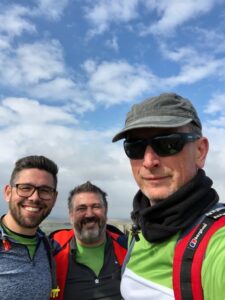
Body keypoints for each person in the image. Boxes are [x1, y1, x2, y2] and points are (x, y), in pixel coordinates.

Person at [112, 92, 225, 300]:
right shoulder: (139, 229)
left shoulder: (217, 242)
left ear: (200, 151)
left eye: (168, 143)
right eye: (135, 147)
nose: (148, 161)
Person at [50, 181, 127, 300]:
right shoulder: (52, 251)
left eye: (96, 207)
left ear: (106, 211)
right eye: (81, 208)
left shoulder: (128, 248)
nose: (89, 214)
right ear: (71, 215)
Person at [0, 155, 59, 300]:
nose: (34, 197)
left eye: (45, 190)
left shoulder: (48, 247)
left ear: (54, 198)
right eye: (25, 188)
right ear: (8, 193)